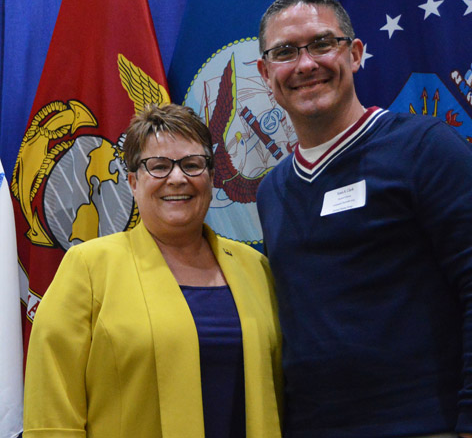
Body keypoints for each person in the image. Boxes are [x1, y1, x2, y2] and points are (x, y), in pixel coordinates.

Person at [256, 0, 472, 438]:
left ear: (355, 53)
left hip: (428, 425)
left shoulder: (426, 148)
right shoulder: (271, 191)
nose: (305, 64)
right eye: (285, 51)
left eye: (322, 43)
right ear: (267, 74)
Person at [23, 103, 283, 438]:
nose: (177, 178)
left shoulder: (256, 268)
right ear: (132, 181)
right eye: (158, 166)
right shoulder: (87, 269)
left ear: (211, 177)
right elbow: (52, 414)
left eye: (192, 165)